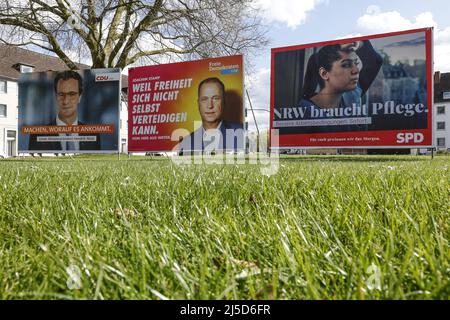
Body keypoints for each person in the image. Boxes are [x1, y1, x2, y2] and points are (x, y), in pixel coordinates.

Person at [298, 40, 382, 132]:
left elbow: (375, 61)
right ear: (324, 73)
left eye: (356, 63)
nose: (356, 70)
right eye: (346, 65)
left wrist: (358, 42)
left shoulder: (352, 92)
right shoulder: (305, 112)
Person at [28, 70, 101, 151]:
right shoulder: (38, 136)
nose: (66, 101)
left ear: (80, 97)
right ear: (56, 97)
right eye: (61, 94)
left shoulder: (93, 135)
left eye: (72, 94)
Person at [178, 77, 243, 152]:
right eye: (204, 99)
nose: (210, 105)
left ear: (224, 102)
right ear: (198, 104)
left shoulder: (242, 133)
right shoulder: (186, 142)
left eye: (216, 98)